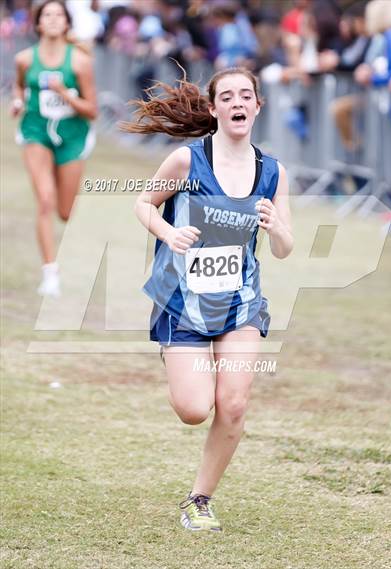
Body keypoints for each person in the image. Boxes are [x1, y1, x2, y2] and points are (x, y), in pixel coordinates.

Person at [128, 66, 293, 531]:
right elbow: (144, 203)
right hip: (183, 302)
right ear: (214, 108)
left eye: (246, 95)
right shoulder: (187, 160)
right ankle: (177, 355)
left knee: (235, 403)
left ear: (258, 106)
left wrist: (278, 229)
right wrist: (169, 231)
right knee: (194, 410)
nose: (238, 103)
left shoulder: (273, 172)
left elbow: (284, 248)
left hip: (241, 302)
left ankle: (199, 499)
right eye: (228, 96)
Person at [11, 0, 97, 297]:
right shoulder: (24, 59)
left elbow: (92, 110)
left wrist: (65, 95)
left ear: (66, 23)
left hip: (73, 137)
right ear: (37, 24)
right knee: (45, 201)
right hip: (35, 132)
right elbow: (19, 86)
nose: (52, 19)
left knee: (64, 211)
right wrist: (18, 101)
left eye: (58, 14)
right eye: (46, 14)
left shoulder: (80, 62)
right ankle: (50, 274)